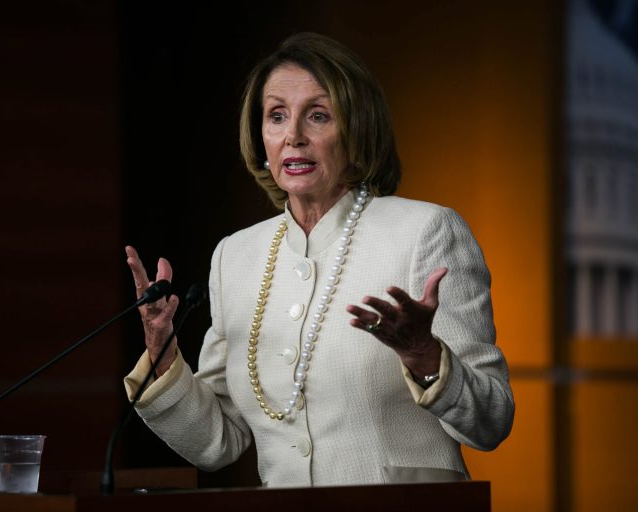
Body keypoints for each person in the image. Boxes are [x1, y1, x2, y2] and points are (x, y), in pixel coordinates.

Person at [123, 32, 514, 487]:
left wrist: (425, 357)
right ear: (261, 140)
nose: (294, 136)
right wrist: (163, 355)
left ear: (356, 130)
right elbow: (219, 440)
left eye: (318, 115)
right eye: (276, 116)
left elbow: (491, 421)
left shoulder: (425, 232)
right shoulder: (236, 256)